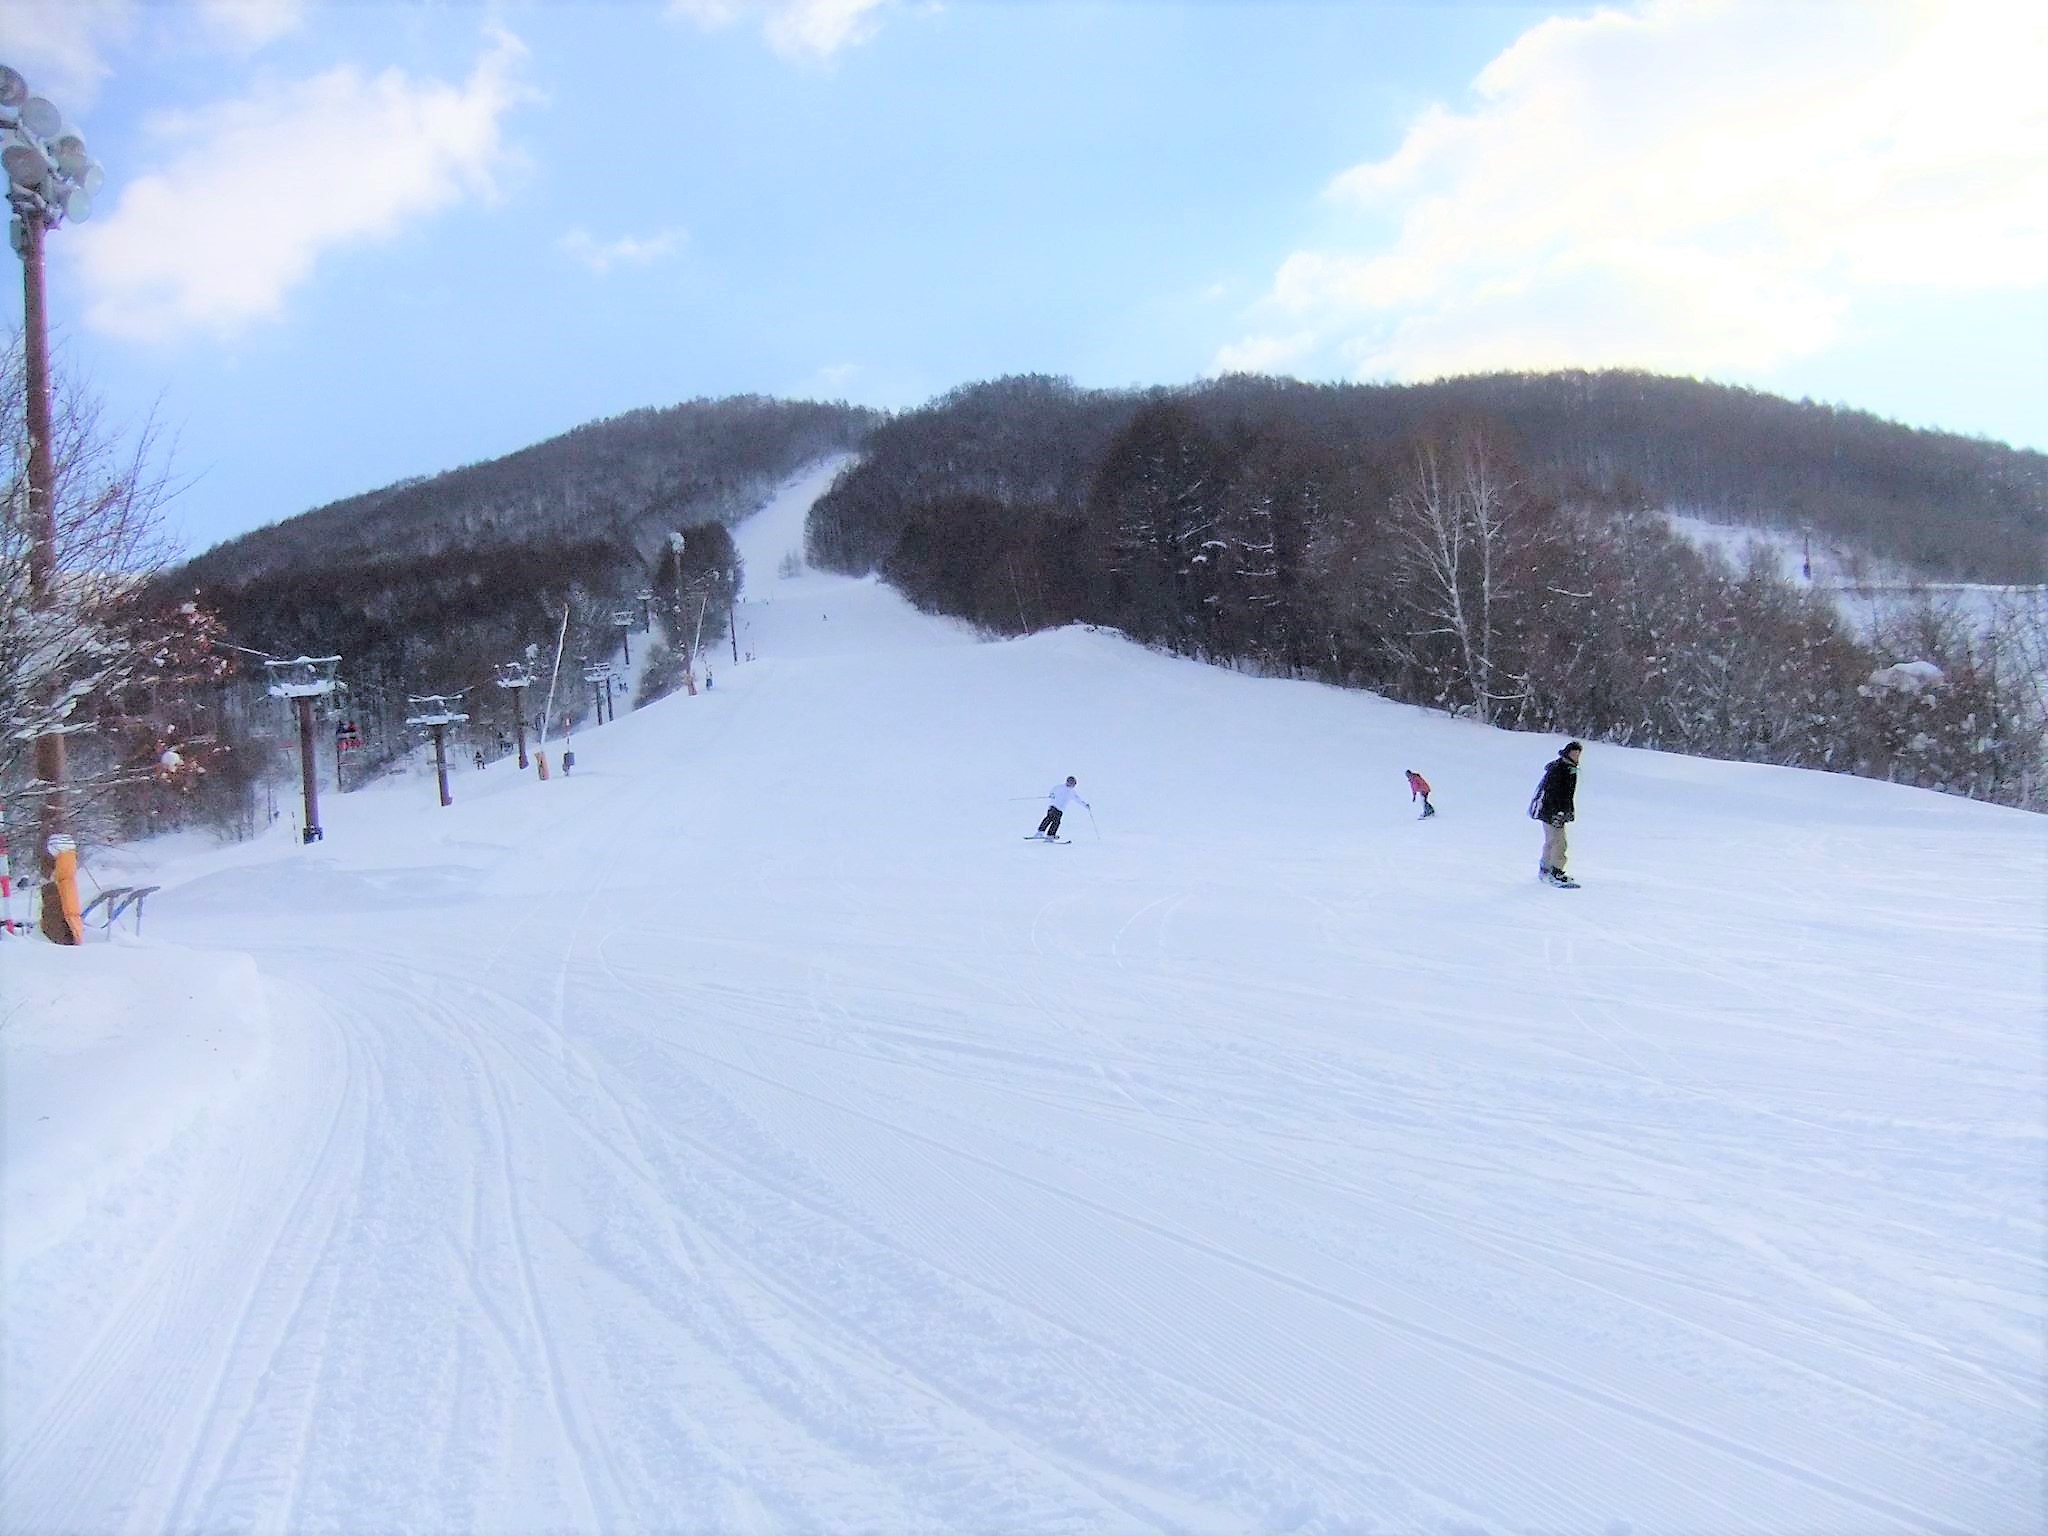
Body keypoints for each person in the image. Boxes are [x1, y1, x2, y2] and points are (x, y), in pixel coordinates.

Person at [1529, 741, 1583, 887]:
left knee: (1552, 841)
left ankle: (1546, 868)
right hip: (1551, 812)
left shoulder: (1569, 769)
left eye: (1578, 754)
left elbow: (1567, 795)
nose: (1576, 756)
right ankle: (1555, 871)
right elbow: (1553, 794)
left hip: (1552, 812)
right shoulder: (1561, 769)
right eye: (1574, 753)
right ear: (1567, 753)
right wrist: (1557, 813)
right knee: (1559, 842)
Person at [1034, 776, 1088, 841]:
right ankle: (1040, 832)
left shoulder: (1072, 792)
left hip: (1060, 810)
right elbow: (1052, 791)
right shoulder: (1059, 787)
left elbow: (1078, 800)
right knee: (1049, 818)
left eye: (1073, 783)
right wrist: (1051, 795)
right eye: (1070, 782)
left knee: (1056, 822)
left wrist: (1085, 805)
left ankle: (1050, 835)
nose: (1071, 784)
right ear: (1067, 782)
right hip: (1053, 806)